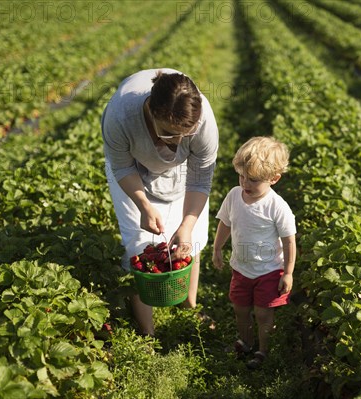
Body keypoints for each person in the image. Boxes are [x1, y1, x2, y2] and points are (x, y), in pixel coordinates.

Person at [101, 68, 218, 336]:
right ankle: (148, 333)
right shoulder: (120, 116)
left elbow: (199, 182)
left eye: (185, 135)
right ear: (152, 113)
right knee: (139, 243)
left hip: (181, 169)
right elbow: (121, 168)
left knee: (193, 237)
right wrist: (143, 204)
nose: (178, 142)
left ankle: (189, 306)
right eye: (169, 133)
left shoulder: (203, 123)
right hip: (132, 168)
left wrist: (186, 226)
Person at [212, 136, 296, 369]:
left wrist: (287, 273)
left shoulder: (277, 207)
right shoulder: (233, 196)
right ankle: (245, 341)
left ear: (274, 179)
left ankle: (262, 350)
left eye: (253, 180)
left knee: (263, 314)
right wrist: (217, 247)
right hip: (241, 268)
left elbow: (289, 242)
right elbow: (226, 223)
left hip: (268, 271)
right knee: (240, 309)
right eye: (242, 176)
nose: (245, 183)